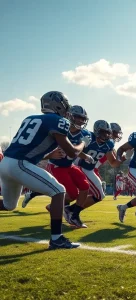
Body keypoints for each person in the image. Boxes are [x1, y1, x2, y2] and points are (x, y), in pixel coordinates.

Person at [0, 91, 91, 249]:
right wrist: (83, 143)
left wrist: (49, 155)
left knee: (9, 206)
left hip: (7, 163)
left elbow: (25, 149)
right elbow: (72, 152)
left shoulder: (29, 118)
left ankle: (57, 238)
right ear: (58, 104)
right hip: (19, 164)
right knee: (59, 191)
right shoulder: (58, 120)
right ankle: (57, 239)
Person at [21, 105, 92, 216]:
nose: (81, 120)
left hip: (69, 165)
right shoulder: (60, 128)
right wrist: (50, 155)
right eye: (78, 117)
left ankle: (71, 214)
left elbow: (73, 151)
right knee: (69, 193)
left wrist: (85, 156)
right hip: (56, 165)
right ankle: (57, 208)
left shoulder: (85, 134)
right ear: (70, 116)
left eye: (83, 118)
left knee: (83, 186)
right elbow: (39, 151)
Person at [64, 120, 125, 228]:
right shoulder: (88, 137)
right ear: (96, 131)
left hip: (89, 169)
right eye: (103, 132)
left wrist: (124, 159)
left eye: (107, 133)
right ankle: (72, 213)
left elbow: (113, 163)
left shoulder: (108, 144)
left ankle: (69, 209)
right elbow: (74, 150)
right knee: (96, 194)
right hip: (79, 167)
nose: (105, 135)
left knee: (96, 195)